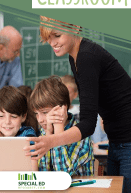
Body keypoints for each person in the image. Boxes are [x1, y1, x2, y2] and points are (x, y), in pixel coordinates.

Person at [24, 16, 131, 193]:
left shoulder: (87, 56)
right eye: (48, 38)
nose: (52, 43)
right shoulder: (75, 57)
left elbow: (88, 124)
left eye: (57, 35)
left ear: (75, 28)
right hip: (117, 141)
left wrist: (50, 140)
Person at [30, 75, 94, 175]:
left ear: (62, 109)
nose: (40, 120)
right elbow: (43, 174)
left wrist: (58, 128)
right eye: (36, 114)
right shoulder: (45, 131)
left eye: (45, 112)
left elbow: (62, 176)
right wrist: (48, 133)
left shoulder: (80, 135)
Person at [0, 86, 38, 171]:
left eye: (13, 117)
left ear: (23, 117)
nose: (7, 122)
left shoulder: (28, 135)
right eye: (1, 116)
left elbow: (33, 171)